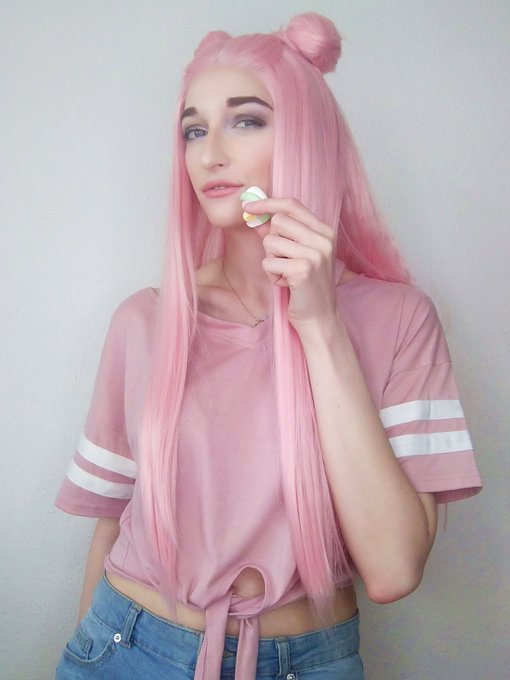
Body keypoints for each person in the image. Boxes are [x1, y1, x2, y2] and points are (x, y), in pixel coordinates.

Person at [54, 13, 482, 680]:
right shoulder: (145, 321)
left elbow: (394, 570)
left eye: (246, 120)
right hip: (123, 646)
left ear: (309, 137)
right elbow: (111, 523)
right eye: (194, 129)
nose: (209, 154)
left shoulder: (399, 320)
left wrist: (321, 325)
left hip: (304, 662)